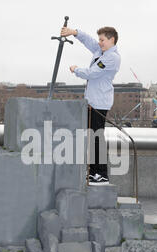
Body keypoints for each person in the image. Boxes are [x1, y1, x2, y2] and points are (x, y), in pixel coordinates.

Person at [60, 26, 121, 184]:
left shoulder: (112, 57)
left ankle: (100, 174)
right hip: (93, 101)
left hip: (99, 102)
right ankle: (95, 172)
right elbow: (89, 41)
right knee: (93, 137)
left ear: (111, 40)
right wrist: (75, 32)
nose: (99, 43)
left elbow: (92, 73)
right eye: (99, 39)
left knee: (96, 137)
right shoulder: (101, 51)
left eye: (102, 40)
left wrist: (76, 69)